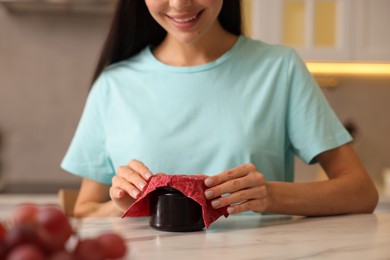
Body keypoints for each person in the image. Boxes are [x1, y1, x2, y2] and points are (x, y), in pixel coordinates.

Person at [61, 0, 378, 218]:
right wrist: (122, 206)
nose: (180, 3)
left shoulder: (278, 68)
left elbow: (361, 191)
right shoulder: (114, 84)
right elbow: (85, 213)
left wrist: (270, 196)